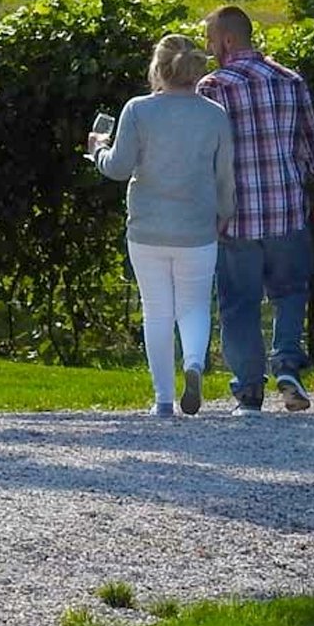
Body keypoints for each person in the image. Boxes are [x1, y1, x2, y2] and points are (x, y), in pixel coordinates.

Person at [197, 5, 314, 415]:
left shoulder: (213, 87)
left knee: (238, 303)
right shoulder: (290, 80)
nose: (208, 48)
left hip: (235, 217)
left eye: (210, 39)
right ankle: (288, 367)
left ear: (227, 40)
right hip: (287, 211)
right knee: (290, 292)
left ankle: (248, 391)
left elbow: (202, 156)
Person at [90, 33, 235, 417]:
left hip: (147, 228)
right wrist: (225, 212)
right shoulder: (214, 115)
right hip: (198, 227)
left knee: (157, 310)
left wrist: (97, 150)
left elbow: (118, 168)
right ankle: (194, 363)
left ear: (158, 68)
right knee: (195, 305)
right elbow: (224, 175)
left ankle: (163, 400)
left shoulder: (138, 110)